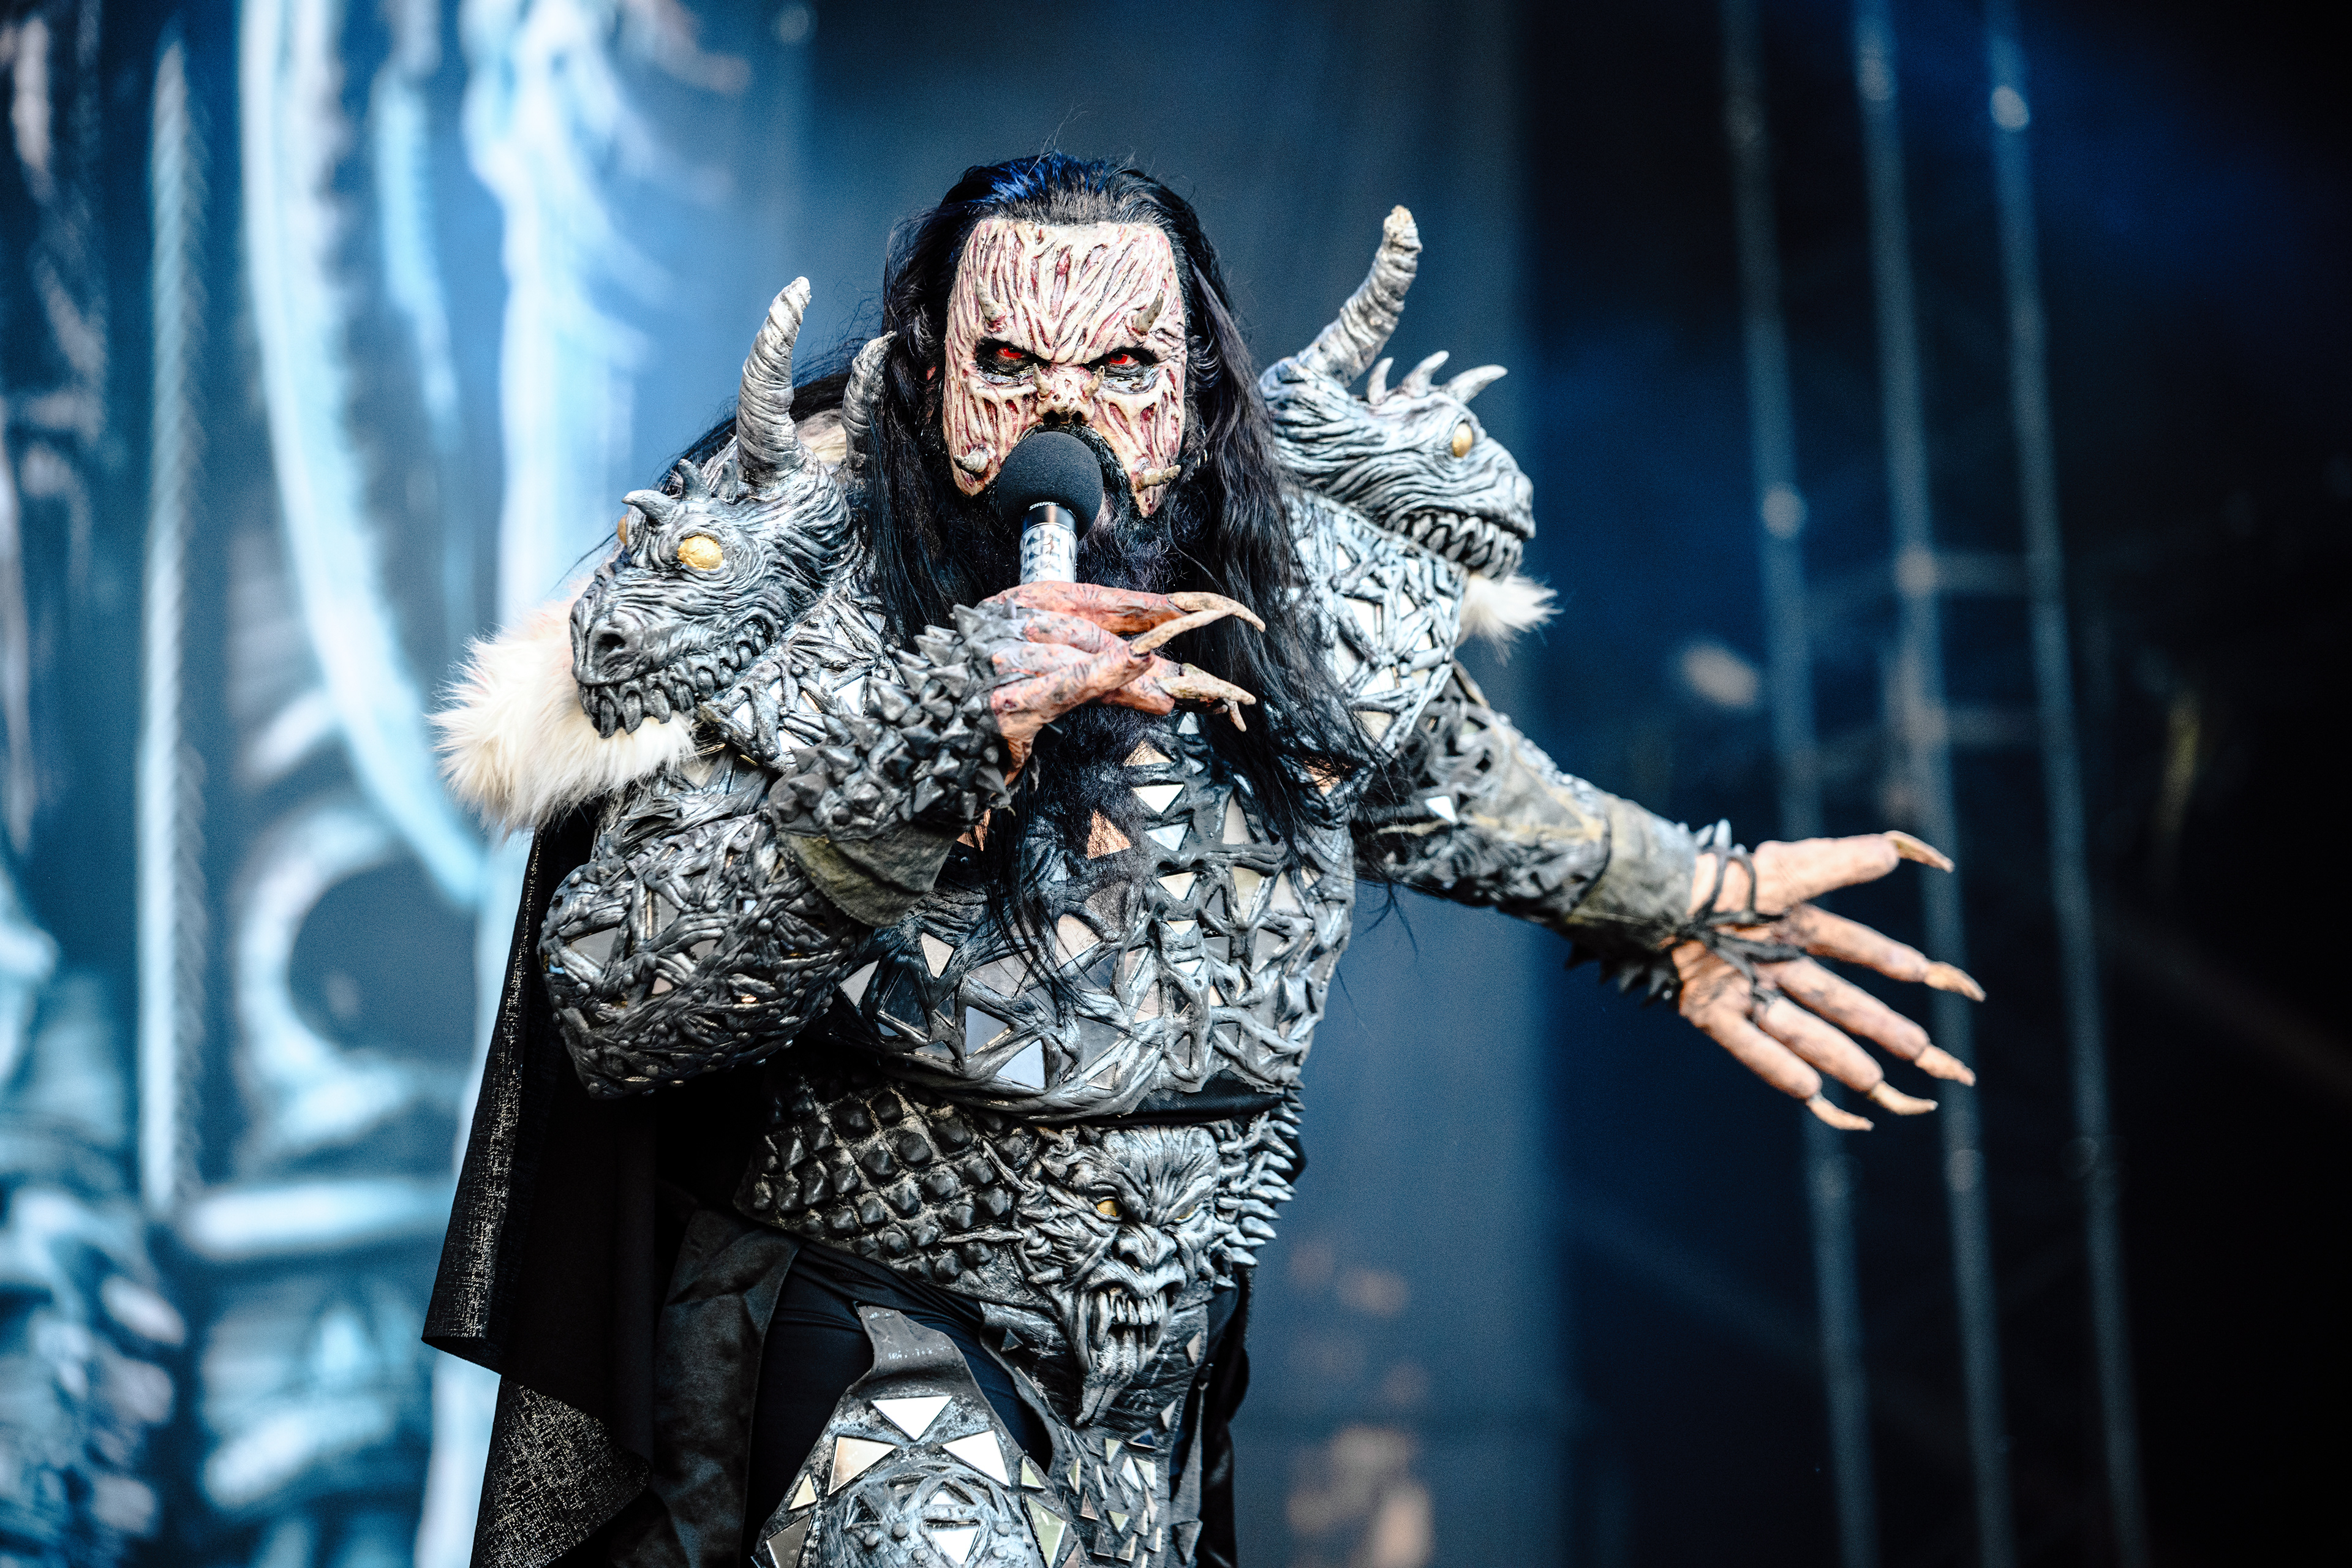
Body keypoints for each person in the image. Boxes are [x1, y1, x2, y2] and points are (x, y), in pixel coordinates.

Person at [428, 154, 1979, 1568]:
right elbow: (621, 1000)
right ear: (927, 376)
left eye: (1122, 369)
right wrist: (931, 740)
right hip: (876, 1338)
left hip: (1157, 1388)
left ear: (1195, 388)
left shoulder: (1286, 599)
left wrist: (1688, 901)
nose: (1065, 421)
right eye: (1008, 367)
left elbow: (1458, 787)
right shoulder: (812, 609)